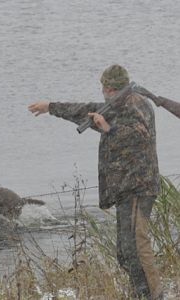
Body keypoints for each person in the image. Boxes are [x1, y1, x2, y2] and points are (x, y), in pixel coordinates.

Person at [28, 65, 163, 300]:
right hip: (125, 189)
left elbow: (139, 134)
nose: (103, 92)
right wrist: (50, 107)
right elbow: (85, 110)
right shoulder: (118, 104)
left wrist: (108, 128)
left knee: (136, 248)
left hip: (138, 188)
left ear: (110, 88)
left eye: (104, 88)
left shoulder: (137, 104)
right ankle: (140, 294)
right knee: (124, 252)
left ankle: (154, 296)